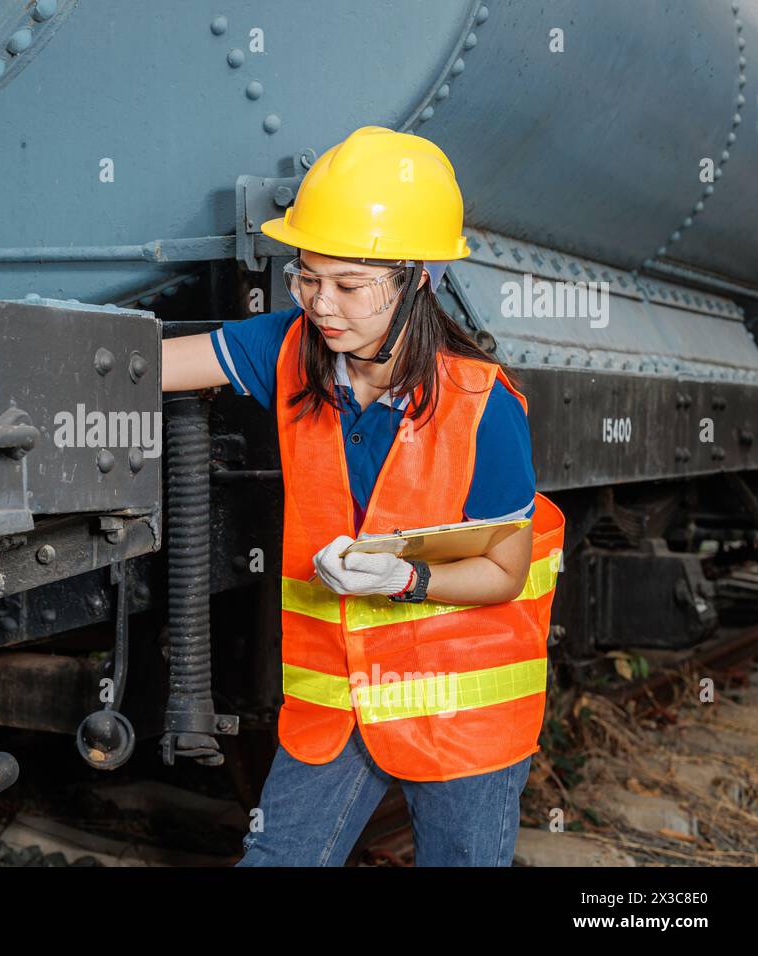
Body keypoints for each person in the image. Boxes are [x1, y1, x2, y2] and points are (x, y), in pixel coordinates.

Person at [160, 126, 565, 866]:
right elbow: (151, 367)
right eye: (307, 277)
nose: (321, 303)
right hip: (334, 710)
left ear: (417, 280)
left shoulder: (484, 408)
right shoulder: (288, 348)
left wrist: (407, 579)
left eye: (349, 285)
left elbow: (506, 571)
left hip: (459, 718)